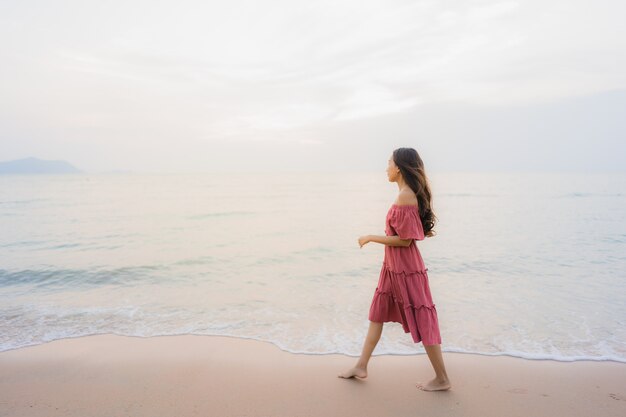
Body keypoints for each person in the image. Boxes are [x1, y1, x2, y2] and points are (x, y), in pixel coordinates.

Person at [338, 147, 451, 392]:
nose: (386, 168)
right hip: (393, 267)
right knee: (377, 313)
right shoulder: (405, 193)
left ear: (398, 167)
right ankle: (361, 365)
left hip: (406, 268)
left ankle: (442, 378)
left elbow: (406, 239)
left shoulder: (405, 195)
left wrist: (370, 237)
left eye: (389, 163)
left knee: (422, 317)